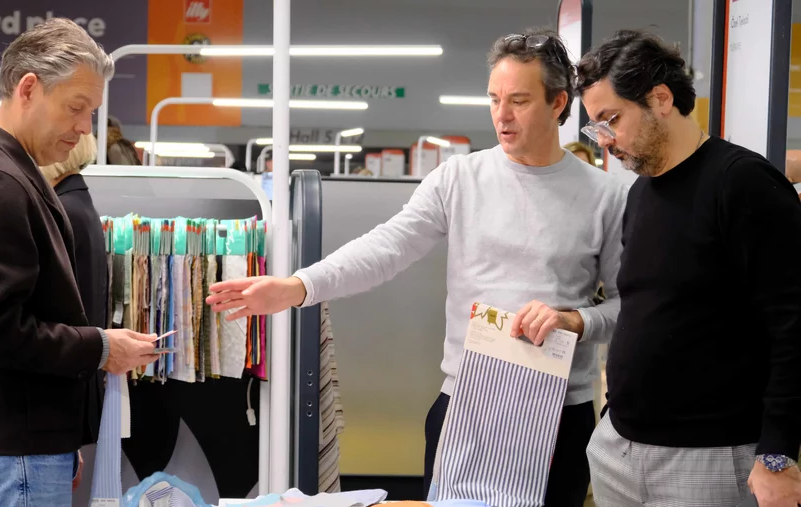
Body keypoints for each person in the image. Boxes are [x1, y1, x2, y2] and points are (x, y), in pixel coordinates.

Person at [207, 28, 627, 506]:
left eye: (519, 101)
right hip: (466, 405)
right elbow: (388, 246)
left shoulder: (606, 196)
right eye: (494, 99)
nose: (502, 116)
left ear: (558, 103)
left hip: (559, 413)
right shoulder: (460, 178)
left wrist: (574, 320)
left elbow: (627, 307)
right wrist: (298, 286)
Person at [0, 18, 162, 507]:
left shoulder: (8, 173)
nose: (85, 127)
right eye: (76, 108)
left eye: (90, 112)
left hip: (19, 448)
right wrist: (100, 348)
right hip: (11, 453)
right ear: (28, 88)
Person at [576, 29, 801, 507]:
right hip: (618, 447)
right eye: (596, 127)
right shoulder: (640, 194)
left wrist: (778, 453)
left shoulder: (742, 183)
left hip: (708, 458)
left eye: (611, 119)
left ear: (660, 99)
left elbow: (793, 324)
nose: (605, 141)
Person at [38, 133, 107, 491]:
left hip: (50, 404)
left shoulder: (61, 212)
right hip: (68, 396)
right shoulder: (79, 206)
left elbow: (53, 315)